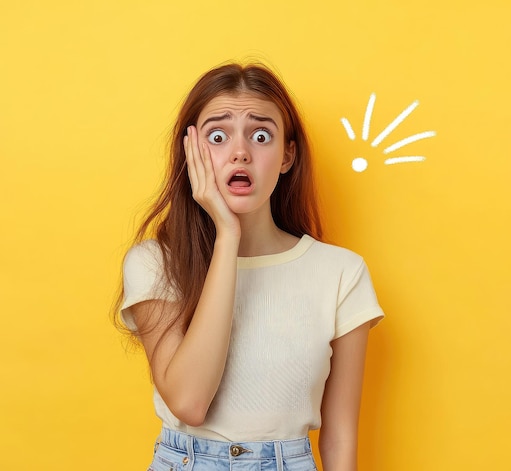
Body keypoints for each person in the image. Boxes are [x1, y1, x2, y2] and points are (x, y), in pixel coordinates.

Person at [116, 62, 384, 471]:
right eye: (218, 136)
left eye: (261, 136)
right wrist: (228, 234)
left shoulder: (341, 273)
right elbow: (190, 402)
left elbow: (340, 438)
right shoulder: (155, 264)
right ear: (190, 153)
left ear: (287, 155)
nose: (240, 152)